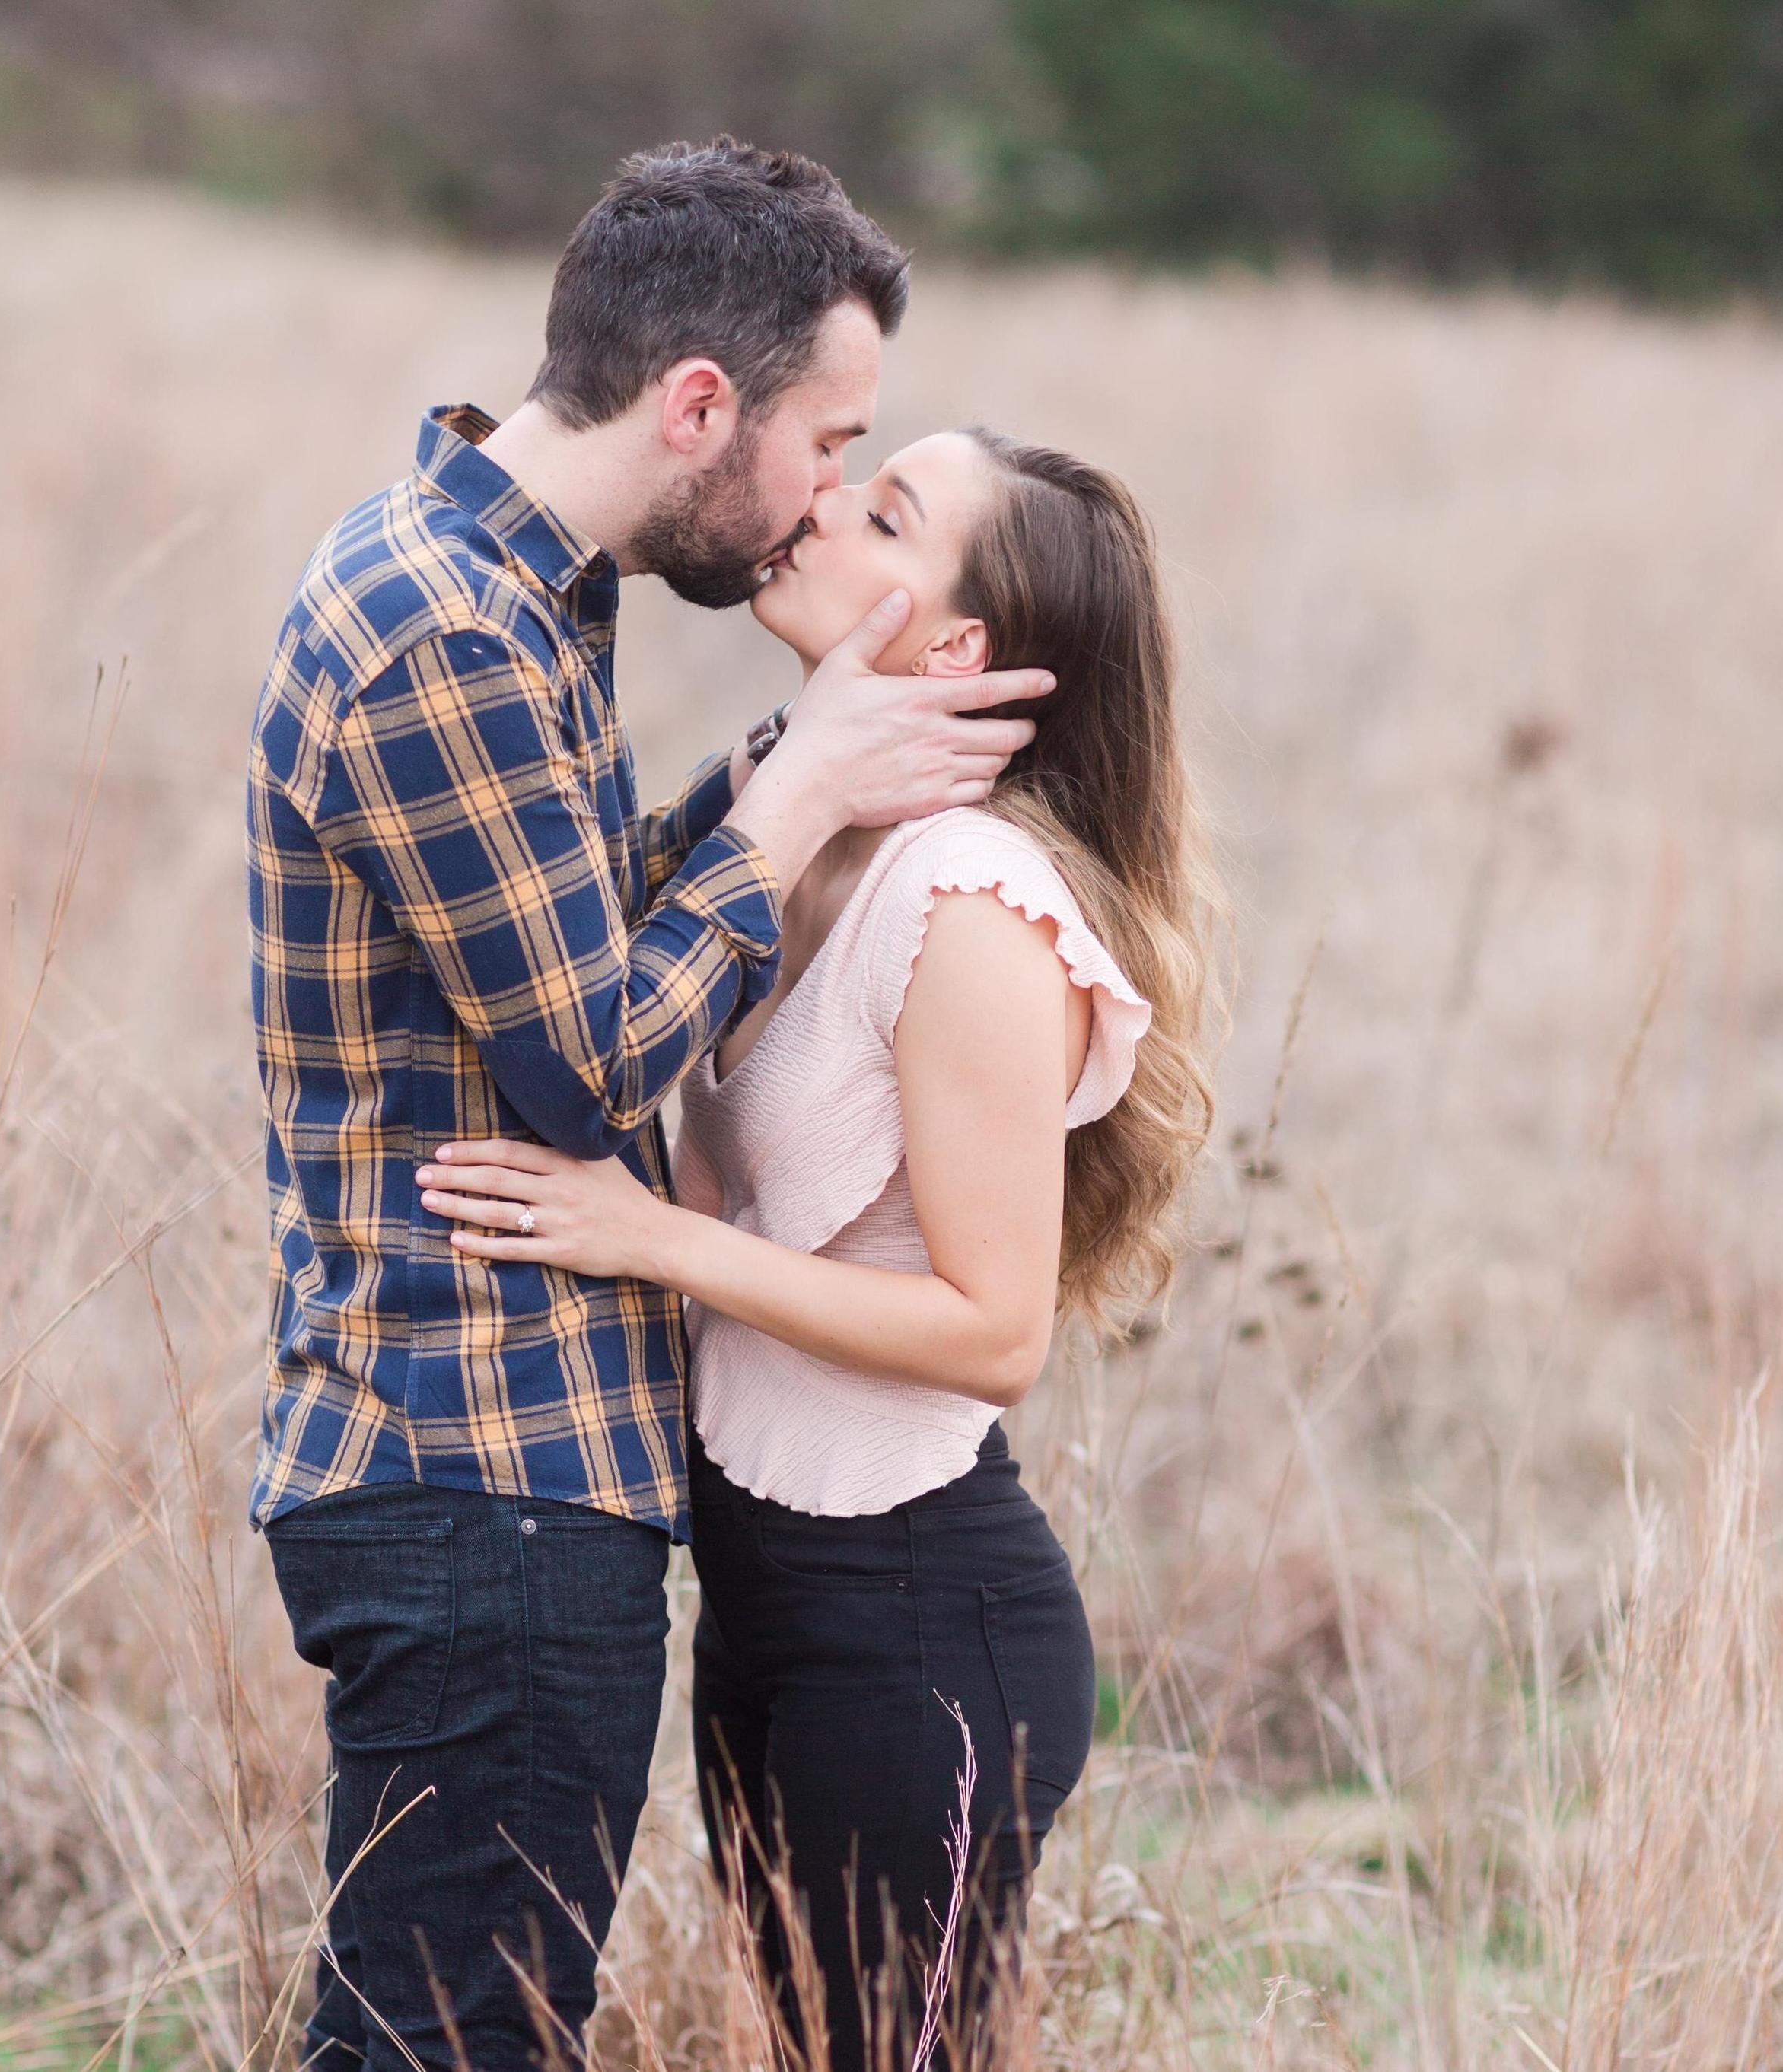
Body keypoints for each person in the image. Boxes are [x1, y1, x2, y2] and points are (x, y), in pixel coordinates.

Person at [245, 139, 1055, 2072]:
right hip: (480, 1467)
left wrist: (793, 763)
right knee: (452, 2044)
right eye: (826, 441)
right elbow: (598, 1057)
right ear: (700, 406)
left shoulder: (509, 590)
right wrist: (800, 796)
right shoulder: (452, 631)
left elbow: (562, 931)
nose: (823, 493)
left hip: (500, 1476)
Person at [420, 426, 1218, 2068]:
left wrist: (648, 1238)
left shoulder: (969, 900)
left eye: (887, 513)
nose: (824, 503)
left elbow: (996, 1330)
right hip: (770, 1604)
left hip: (917, 1627)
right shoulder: (809, 846)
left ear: (957, 650)